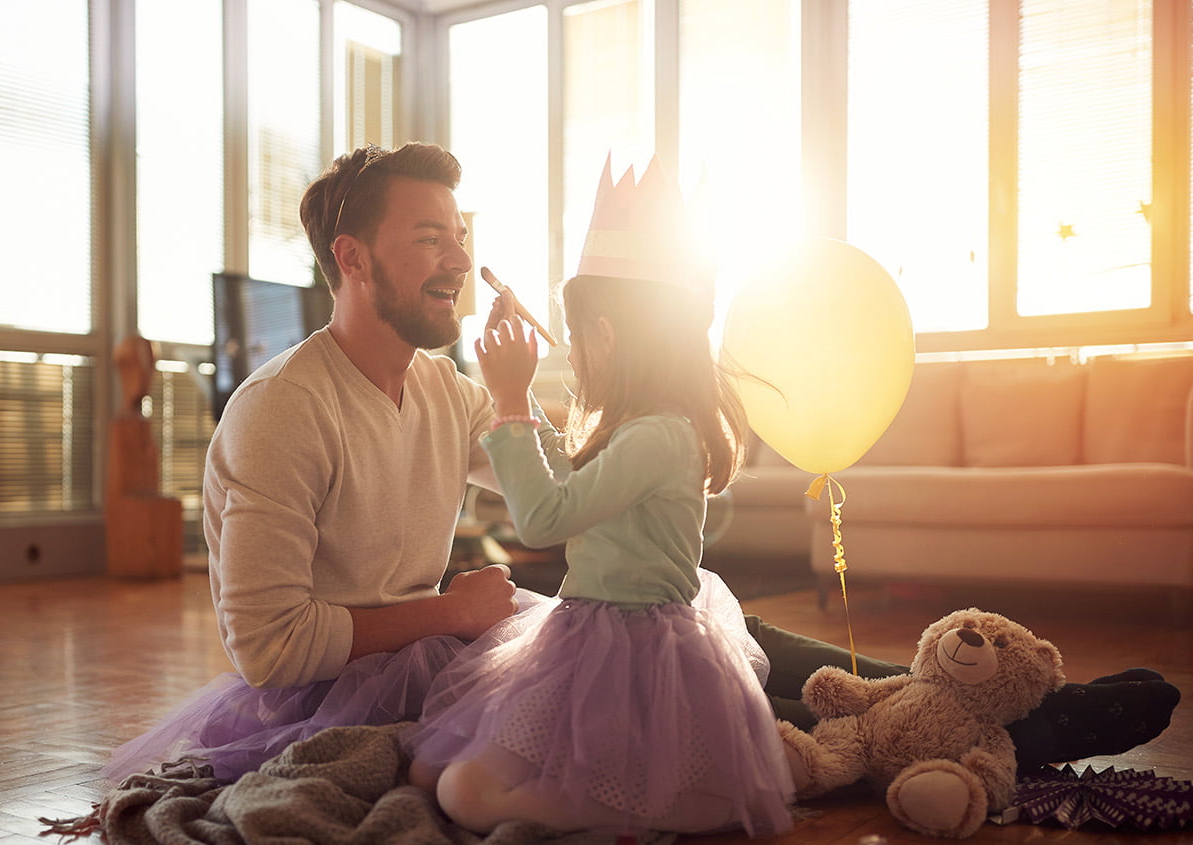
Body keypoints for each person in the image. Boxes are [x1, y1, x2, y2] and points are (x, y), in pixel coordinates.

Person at [103, 141, 1178, 787]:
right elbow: (269, 647)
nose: (460, 257)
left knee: (690, 616)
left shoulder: (441, 389)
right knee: (657, 668)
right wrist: (449, 612)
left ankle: (968, 700)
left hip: (448, 626)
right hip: (341, 691)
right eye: (428, 237)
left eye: (460, 232)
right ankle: (958, 728)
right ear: (351, 259)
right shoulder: (277, 411)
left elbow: (567, 460)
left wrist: (605, 349)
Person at [404, 155, 795, 836]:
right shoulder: (644, 427)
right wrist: (518, 403)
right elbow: (571, 483)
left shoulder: (661, 435)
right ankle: (617, 793)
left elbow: (545, 516)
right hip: (585, 633)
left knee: (465, 791)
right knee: (431, 773)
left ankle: (642, 810)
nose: (573, 356)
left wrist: (510, 398)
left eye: (577, 341)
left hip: (631, 650)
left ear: (607, 338)